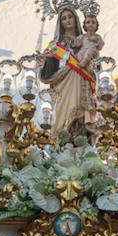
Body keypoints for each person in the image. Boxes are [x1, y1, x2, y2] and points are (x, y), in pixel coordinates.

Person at [39, 7, 97, 138]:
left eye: (70, 17)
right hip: (62, 85)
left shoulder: (85, 40)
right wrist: (45, 61)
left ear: (75, 19)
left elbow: (94, 62)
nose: (67, 20)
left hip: (81, 84)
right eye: (64, 18)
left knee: (80, 114)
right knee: (61, 116)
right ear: (60, 23)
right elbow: (49, 71)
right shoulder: (55, 45)